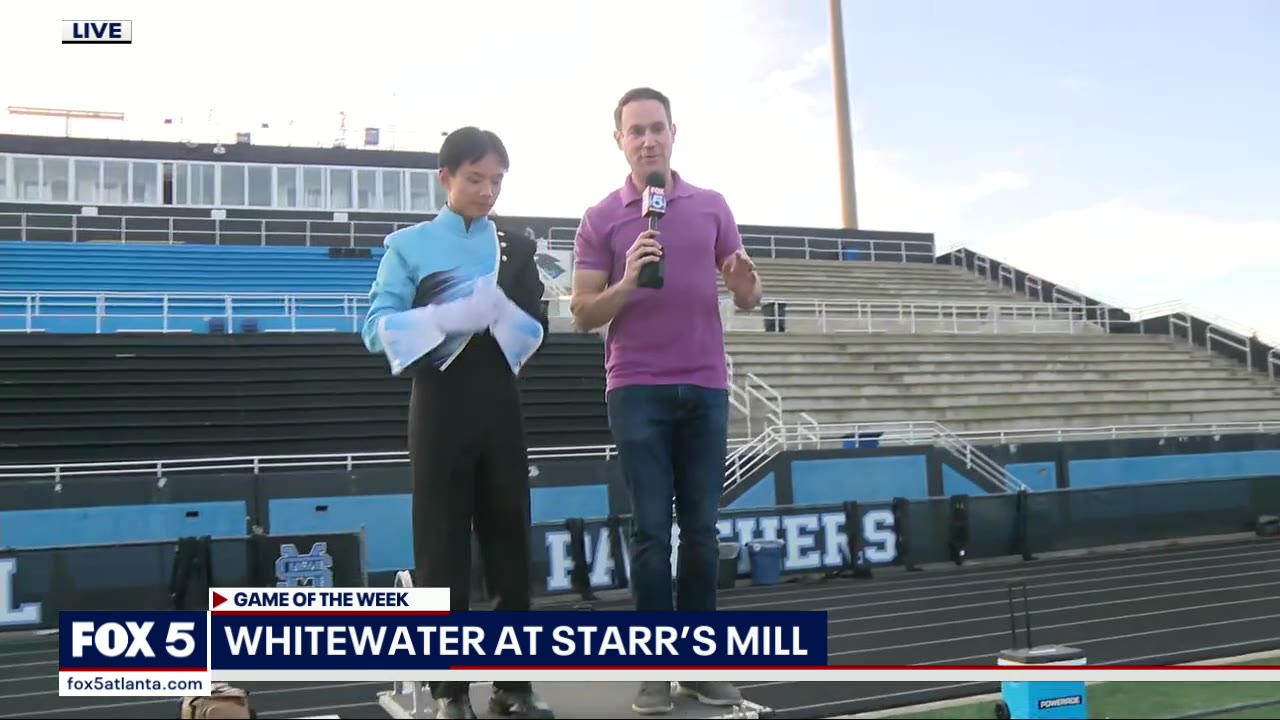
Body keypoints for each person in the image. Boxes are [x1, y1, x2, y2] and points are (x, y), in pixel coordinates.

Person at [569, 88, 762, 715]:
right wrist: (627, 278)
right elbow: (581, 314)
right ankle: (653, 669)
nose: (647, 140)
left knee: (701, 533)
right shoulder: (601, 218)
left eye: (657, 128)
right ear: (619, 141)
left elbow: (748, 294)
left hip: (705, 386)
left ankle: (703, 667)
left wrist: (744, 283)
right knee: (651, 533)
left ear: (675, 133)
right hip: (637, 389)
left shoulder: (711, 206)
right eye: (635, 131)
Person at [361, 126, 554, 720]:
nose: (487, 191)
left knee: (508, 542)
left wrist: (505, 317)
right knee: (441, 547)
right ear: (445, 178)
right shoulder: (410, 246)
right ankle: (450, 693)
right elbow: (375, 328)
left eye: (497, 180)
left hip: (500, 404)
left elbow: (536, 329)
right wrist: (450, 317)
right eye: (475, 179)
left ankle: (513, 685)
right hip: (439, 406)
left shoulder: (515, 248)